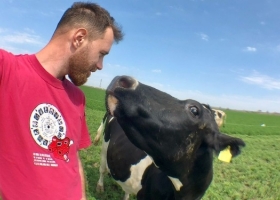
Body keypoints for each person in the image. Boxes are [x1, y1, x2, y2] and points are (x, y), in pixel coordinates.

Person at [0, 2, 123, 200]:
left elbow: (72, 157)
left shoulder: (77, 97)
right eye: (101, 54)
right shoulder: (7, 70)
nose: (100, 66)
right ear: (79, 38)